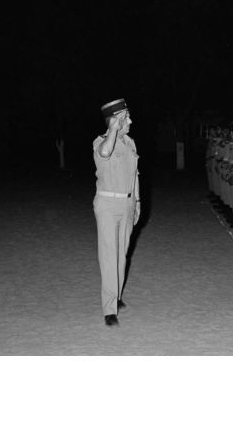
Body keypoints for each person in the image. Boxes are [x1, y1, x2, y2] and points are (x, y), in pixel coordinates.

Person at [93, 99, 141, 327]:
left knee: (122, 254)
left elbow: (135, 176)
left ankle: (117, 296)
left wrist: (137, 202)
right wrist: (112, 129)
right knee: (109, 255)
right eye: (126, 118)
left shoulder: (130, 143)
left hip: (126, 204)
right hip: (108, 205)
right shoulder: (101, 142)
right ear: (116, 121)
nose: (130, 121)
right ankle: (109, 309)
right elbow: (104, 153)